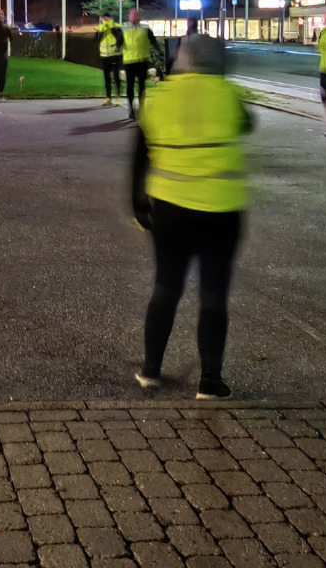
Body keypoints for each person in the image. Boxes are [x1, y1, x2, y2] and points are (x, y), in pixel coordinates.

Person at [131, 32, 251, 400]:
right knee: (214, 294)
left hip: (170, 207)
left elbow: (141, 154)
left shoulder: (158, 95)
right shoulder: (229, 93)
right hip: (222, 208)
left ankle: (151, 369)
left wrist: (138, 204)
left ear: (181, 58)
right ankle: (210, 381)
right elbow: (246, 126)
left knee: (166, 287)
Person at [122, 10, 152, 120]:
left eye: (136, 15)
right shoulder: (124, 28)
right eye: (132, 15)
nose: (134, 17)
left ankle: (141, 108)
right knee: (130, 86)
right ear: (129, 17)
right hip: (129, 61)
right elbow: (119, 42)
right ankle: (131, 109)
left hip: (142, 61)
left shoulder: (145, 28)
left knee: (141, 86)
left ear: (139, 17)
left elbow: (153, 41)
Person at [96, 13, 124, 106]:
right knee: (106, 77)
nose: (106, 19)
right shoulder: (100, 27)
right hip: (104, 55)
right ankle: (108, 97)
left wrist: (110, 26)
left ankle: (118, 96)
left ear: (111, 18)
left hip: (115, 55)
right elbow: (97, 39)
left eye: (107, 18)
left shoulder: (116, 26)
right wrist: (104, 26)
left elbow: (118, 36)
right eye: (104, 18)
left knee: (116, 76)